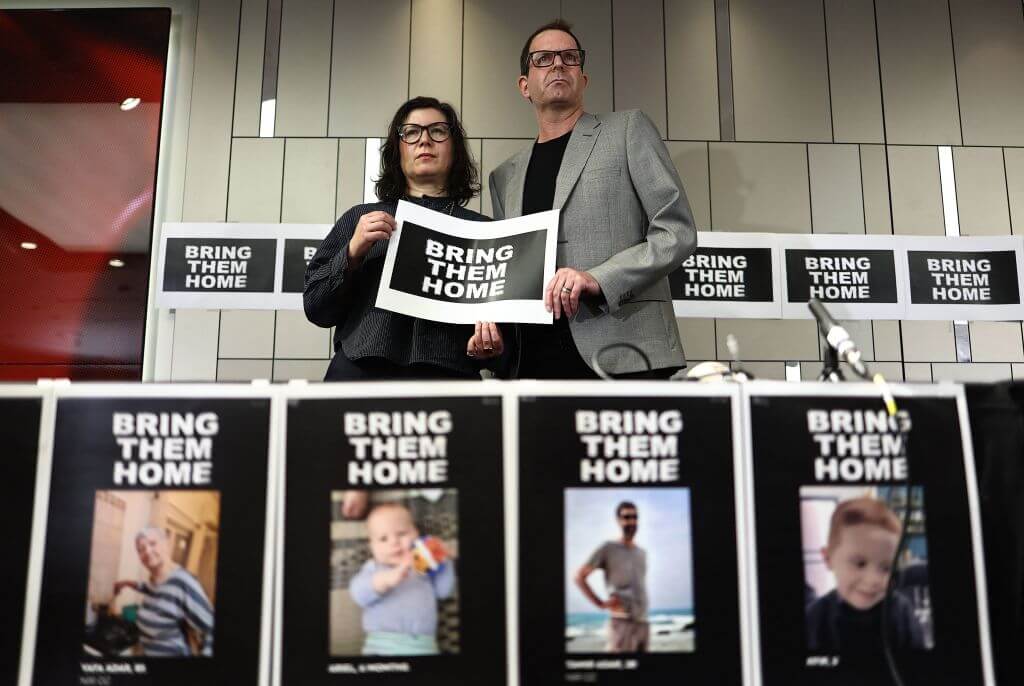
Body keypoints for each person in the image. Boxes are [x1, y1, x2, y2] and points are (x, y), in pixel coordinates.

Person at [488, 20, 697, 378]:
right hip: (533, 359)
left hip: (625, 350)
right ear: (525, 85)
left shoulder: (628, 129)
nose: (557, 64)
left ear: (583, 79)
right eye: (543, 59)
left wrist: (599, 279)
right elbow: (507, 270)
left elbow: (676, 232)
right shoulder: (504, 175)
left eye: (569, 57)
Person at [304, 96, 505, 380]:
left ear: (455, 147)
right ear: (397, 150)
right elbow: (316, 308)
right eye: (411, 132)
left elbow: (509, 340)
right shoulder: (360, 219)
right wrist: (352, 253)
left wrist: (490, 349)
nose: (425, 140)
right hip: (359, 377)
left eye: (438, 130)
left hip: (449, 384)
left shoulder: (485, 233)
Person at [805, 497, 926, 655]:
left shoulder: (902, 613)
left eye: (886, 568)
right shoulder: (814, 617)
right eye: (860, 563)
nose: (873, 579)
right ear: (828, 558)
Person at [348, 503, 456, 655]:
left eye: (401, 534)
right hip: (382, 644)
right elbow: (358, 594)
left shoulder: (423, 567)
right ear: (372, 546)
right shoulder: (374, 568)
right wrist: (385, 580)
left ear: (416, 535)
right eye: (383, 539)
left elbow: (444, 592)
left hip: (424, 646)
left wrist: (443, 560)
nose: (394, 542)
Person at [112, 526, 214, 656]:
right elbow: (146, 587)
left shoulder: (182, 582)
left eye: (153, 543)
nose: (147, 551)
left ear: (167, 545)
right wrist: (124, 583)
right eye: (141, 550)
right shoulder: (154, 582)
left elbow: (211, 628)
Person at [574, 501, 648, 652]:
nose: (631, 521)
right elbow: (579, 577)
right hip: (621, 623)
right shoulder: (608, 548)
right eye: (626, 517)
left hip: (643, 623)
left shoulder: (642, 553)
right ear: (618, 521)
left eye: (634, 517)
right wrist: (600, 603)